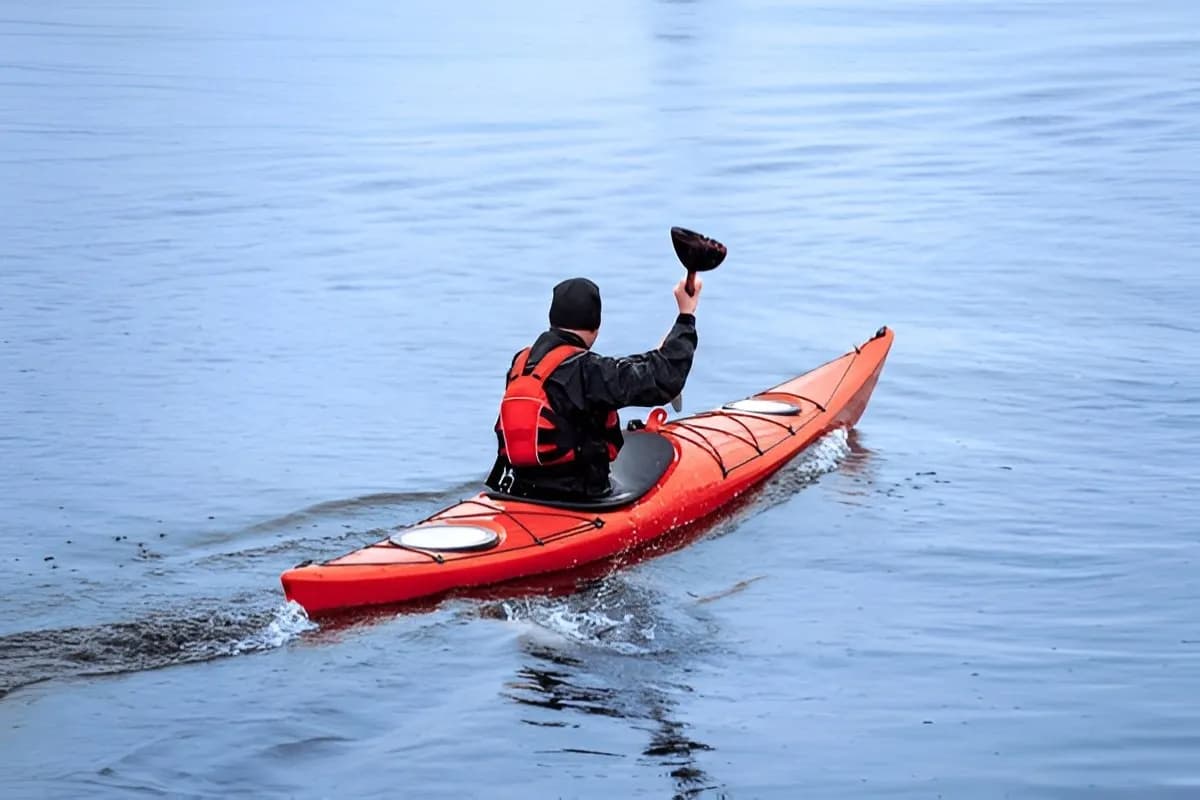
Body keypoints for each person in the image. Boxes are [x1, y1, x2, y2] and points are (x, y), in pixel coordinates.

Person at [486, 276, 701, 501]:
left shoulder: (522, 363)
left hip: (521, 490)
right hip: (580, 498)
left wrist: (656, 355)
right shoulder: (589, 370)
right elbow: (665, 379)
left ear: (553, 320)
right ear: (596, 326)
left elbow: (613, 372)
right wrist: (686, 316)